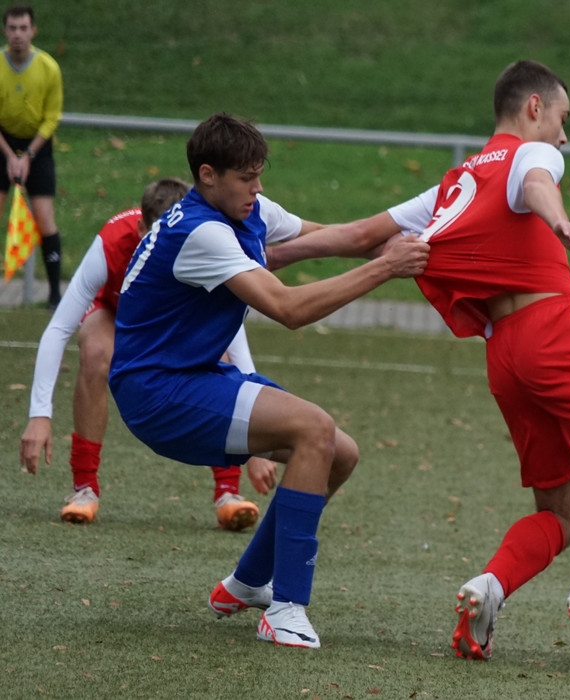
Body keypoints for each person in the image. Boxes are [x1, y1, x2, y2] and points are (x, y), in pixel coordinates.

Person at [270, 60, 570, 662]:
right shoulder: (530, 153)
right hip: (552, 329)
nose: (564, 136)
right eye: (563, 118)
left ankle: (489, 589)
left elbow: (359, 235)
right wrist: (559, 219)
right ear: (535, 107)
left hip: (506, 355)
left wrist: (272, 255)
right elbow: (539, 181)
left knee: (564, 512)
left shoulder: (456, 182)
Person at [108, 113, 429, 649]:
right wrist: (385, 267)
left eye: (259, 175)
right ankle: (285, 610)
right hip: (157, 392)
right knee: (314, 430)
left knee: (339, 453)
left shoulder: (243, 208)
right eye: (245, 178)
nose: (257, 188)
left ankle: (248, 582)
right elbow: (288, 309)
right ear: (207, 175)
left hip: (192, 374)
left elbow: (342, 236)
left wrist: (417, 225)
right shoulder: (202, 232)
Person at [19, 178, 271, 530]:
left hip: (172, 323)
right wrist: (39, 414)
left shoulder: (202, 241)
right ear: (141, 229)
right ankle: (84, 488)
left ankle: (228, 491)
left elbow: (232, 337)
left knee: (219, 357)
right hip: (117, 316)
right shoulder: (111, 244)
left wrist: (255, 444)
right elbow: (59, 327)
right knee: (95, 350)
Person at [0, 4, 63, 308]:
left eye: (23, 28)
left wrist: (27, 156)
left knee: (44, 217)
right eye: (12, 28)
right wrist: (10, 156)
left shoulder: (48, 68)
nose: (18, 35)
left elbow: (51, 119)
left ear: (33, 31)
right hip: (2, 143)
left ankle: (54, 295)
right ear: (5, 31)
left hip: (37, 145)